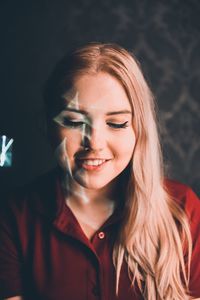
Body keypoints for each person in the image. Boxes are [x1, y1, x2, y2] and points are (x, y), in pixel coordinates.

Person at [0, 42, 200, 300]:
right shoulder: (13, 217)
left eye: (116, 123)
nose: (94, 142)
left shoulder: (183, 210)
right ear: (48, 126)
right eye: (73, 121)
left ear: (139, 129)